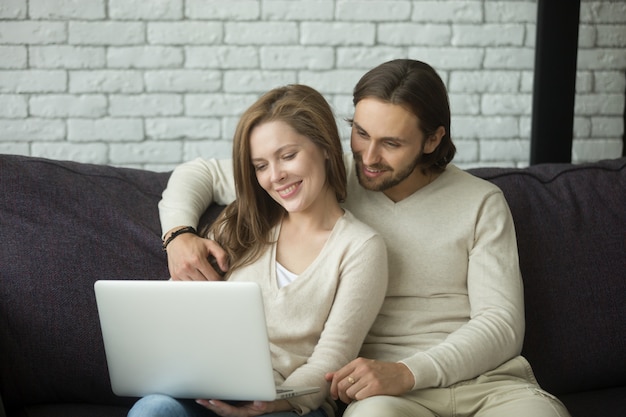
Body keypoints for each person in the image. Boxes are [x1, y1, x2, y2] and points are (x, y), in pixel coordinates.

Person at [158, 59, 571, 417]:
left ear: (432, 139)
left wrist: (409, 371)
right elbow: (204, 174)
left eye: (391, 143)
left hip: (488, 384)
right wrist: (179, 234)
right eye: (360, 133)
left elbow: (500, 324)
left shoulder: (481, 202)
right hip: (382, 395)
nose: (369, 158)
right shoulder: (325, 178)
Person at [129, 84, 388, 417]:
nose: (276, 176)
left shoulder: (360, 248)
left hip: (289, 405)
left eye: (288, 156)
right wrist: (178, 238)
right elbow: (179, 317)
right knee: (154, 408)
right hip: (207, 393)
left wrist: (271, 402)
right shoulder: (243, 222)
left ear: (324, 146)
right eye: (261, 166)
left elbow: (330, 362)